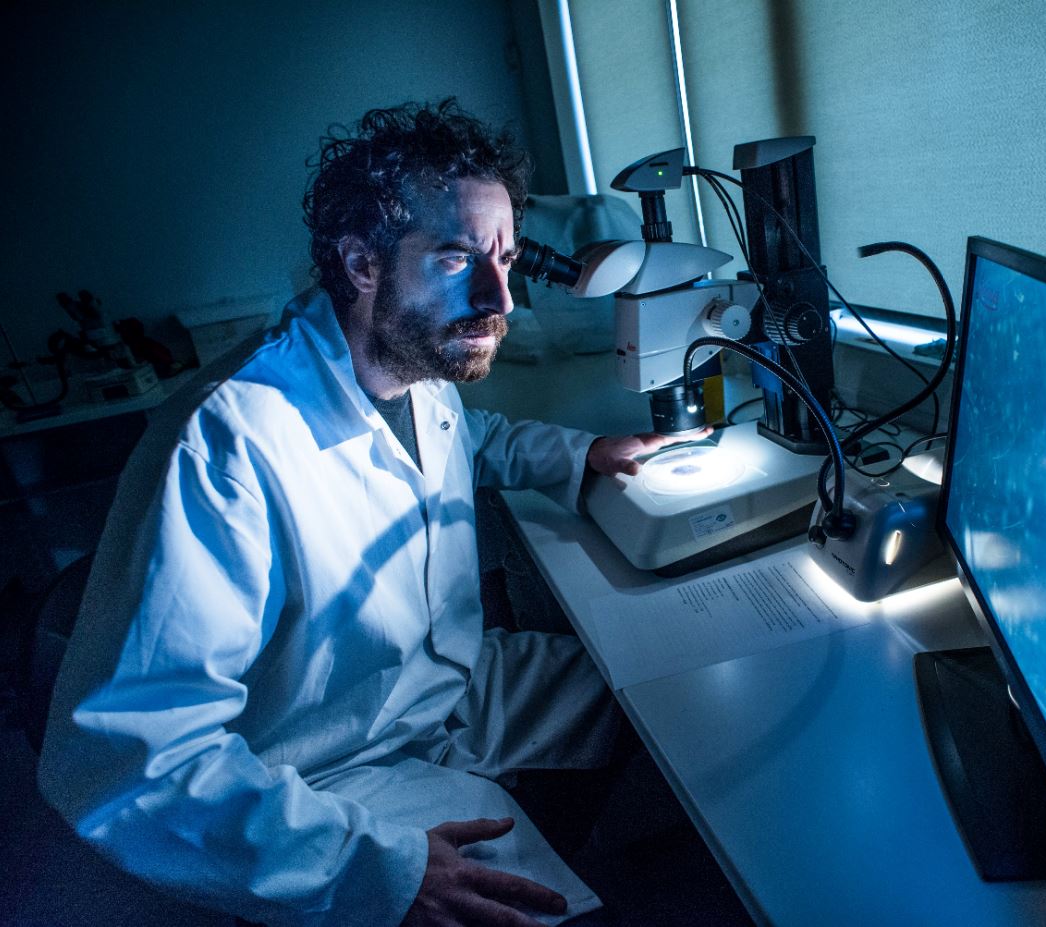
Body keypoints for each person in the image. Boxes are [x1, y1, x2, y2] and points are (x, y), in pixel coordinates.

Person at [38, 99, 695, 927]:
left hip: (452, 684)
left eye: (507, 258)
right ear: (361, 264)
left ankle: (551, 829)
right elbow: (130, 760)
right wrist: (378, 872)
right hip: (328, 763)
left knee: (660, 688)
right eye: (459, 257)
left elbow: (469, 437)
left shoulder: (414, 358)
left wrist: (579, 455)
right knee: (548, 915)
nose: (502, 297)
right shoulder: (225, 442)